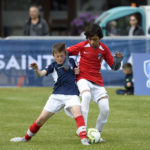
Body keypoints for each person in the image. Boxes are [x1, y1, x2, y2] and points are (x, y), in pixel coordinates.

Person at [10, 43, 89, 146]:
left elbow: (79, 73)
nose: (60, 58)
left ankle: (84, 140)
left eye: (61, 56)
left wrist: (77, 72)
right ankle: (26, 138)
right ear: (53, 56)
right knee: (40, 120)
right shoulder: (53, 66)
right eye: (57, 56)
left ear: (65, 54)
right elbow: (41, 74)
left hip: (72, 94)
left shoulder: (72, 62)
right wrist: (36, 70)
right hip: (56, 96)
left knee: (78, 113)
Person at [66, 23, 123, 142]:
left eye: (95, 39)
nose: (92, 42)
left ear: (100, 38)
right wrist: (69, 66)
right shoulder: (82, 45)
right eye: (90, 39)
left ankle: (97, 134)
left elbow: (114, 66)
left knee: (105, 109)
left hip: (97, 82)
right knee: (86, 95)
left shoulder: (104, 49)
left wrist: (118, 60)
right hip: (82, 79)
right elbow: (66, 52)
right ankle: (82, 129)